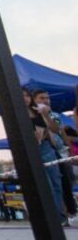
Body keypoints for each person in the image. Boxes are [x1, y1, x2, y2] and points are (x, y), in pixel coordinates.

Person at [31, 88, 72, 226]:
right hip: (43, 150)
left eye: (47, 98)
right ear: (34, 100)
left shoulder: (53, 115)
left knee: (59, 184)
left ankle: (62, 215)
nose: (46, 101)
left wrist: (46, 115)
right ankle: (53, 216)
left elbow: (56, 130)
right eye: (42, 98)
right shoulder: (30, 114)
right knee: (48, 184)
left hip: (57, 152)